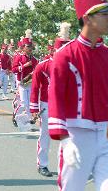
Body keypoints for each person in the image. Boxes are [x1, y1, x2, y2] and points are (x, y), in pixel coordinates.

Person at [48, 0, 108, 191]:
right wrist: (63, 138)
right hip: (77, 134)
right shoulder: (65, 55)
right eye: (105, 14)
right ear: (87, 18)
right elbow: (55, 96)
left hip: (107, 134)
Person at [29, 22, 71, 177]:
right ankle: (42, 164)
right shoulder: (42, 66)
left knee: (68, 137)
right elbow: (34, 89)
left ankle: (68, 165)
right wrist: (34, 109)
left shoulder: (73, 66)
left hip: (67, 106)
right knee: (45, 135)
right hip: (47, 105)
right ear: (55, 49)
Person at [12, 30, 38, 121]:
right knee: (23, 103)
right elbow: (14, 69)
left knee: (29, 103)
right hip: (22, 82)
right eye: (28, 46)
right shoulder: (19, 57)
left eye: (31, 46)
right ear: (23, 47)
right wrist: (24, 66)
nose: (30, 48)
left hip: (30, 83)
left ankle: (28, 120)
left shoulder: (34, 59)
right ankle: (15, 115)